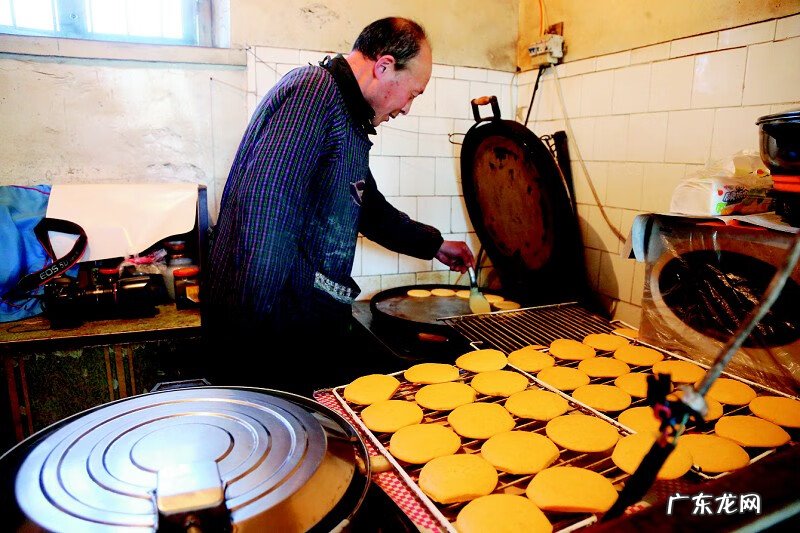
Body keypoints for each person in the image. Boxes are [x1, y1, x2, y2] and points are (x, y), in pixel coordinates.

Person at [203, 17, 475, 395]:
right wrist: (247, 348)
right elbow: (263, 214)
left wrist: (435, 245)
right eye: (413, 93)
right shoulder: (313, 95)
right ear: (384, 66)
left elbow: (370, 209)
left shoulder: (345, 117)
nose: (407, 108)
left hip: (299, 325)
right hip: (276, 334)